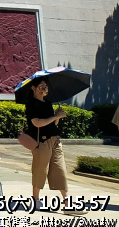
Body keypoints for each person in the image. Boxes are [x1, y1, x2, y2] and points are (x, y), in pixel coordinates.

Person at [25, 76, 84, 214]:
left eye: (45, 87)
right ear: (33, 88)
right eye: (41, 86)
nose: (44, 89)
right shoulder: (31, 104)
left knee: (60, 169)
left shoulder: (47, 103)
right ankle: (35, 199)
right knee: (40, 170)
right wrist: (55, 117)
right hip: (41, 141)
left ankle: (68, 204)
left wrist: (57, 116)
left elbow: (53, 123)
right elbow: (37, 123)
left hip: (55, 139)